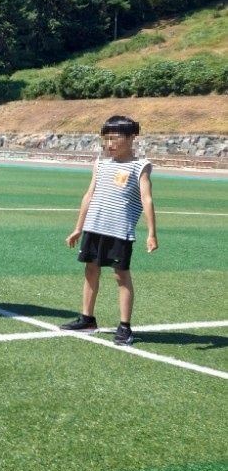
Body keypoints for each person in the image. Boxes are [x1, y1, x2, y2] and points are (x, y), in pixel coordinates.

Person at [61, 115, 158, 346]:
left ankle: (124, 326)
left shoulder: (140, 166)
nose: (109, 144)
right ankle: (87, 318)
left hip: (119, 230)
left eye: (115, 138)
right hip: (94, 227)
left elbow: (147, 199)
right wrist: (78, 228)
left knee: (120, 275)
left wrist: (152, 232)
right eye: (106, 139)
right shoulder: (101, 163)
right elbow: (89, 194)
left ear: (131, 138)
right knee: (91, 269)